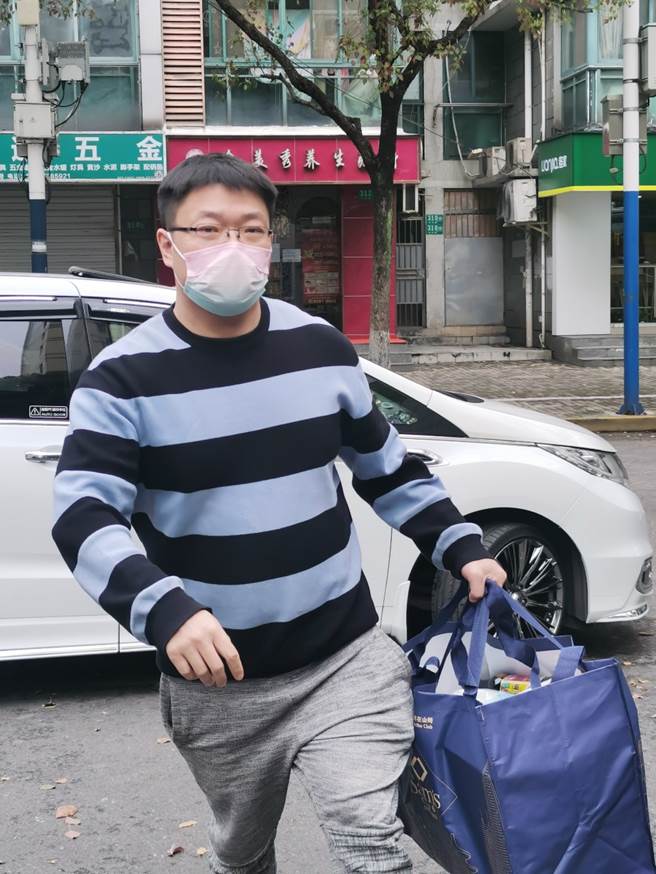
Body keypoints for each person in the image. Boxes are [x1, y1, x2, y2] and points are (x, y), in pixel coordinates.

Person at [52, 153, 507, 874]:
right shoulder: (122, 380)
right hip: (219, 685)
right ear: (167, 245)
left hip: (346, 657)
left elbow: (386, 467)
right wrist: (164, 609)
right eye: (207, 229)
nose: (232, 246)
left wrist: (461, 544)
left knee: (369, 837)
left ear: (272, 240)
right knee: (243, 853)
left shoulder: (320, 349)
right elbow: (83, 514)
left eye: (251, 229)